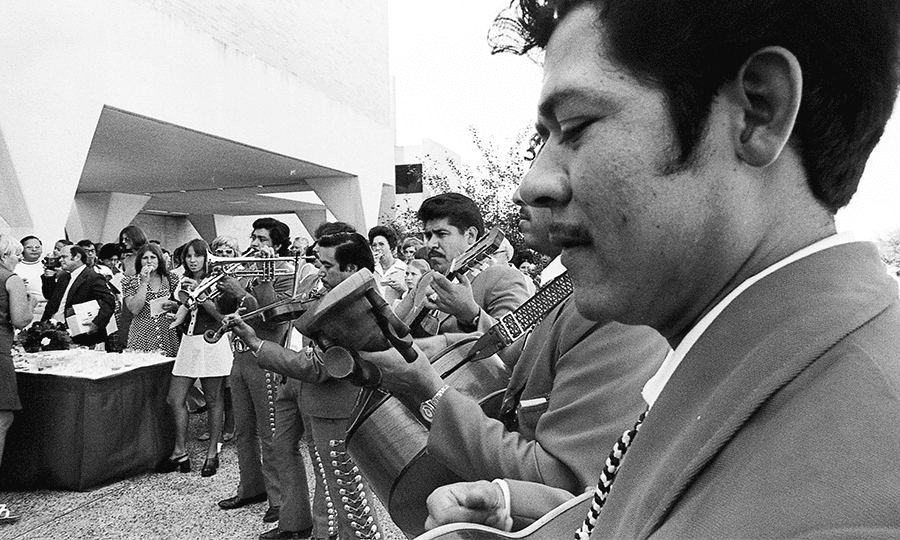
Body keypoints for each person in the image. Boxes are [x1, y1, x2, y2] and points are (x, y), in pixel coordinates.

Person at [425, 1, 900, 537]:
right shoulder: (753, 363)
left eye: (576, 126)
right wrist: (528, 508)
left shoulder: (854, 494)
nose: (531, 185)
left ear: (757, 112)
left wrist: (427, 389)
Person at [361, 193, 668, 526]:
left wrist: (428, 389)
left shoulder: (613, 308)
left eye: (567, 147)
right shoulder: (565, 283)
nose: (521, 191)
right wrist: (453, 341)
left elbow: (560, 479)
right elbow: (530, 353)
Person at [224, 231, 385, 540]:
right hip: (303, 387)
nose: (319, 271)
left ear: (352, 270)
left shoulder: (356, 305)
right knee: (328, 476)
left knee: (345, 490)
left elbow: (320, 366)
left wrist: (257, 343)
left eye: (326, 265)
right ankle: (305, 527)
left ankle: (324, 533)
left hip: (332, 400)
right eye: (317, 263)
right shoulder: (327, 288)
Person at [216, 219, 297, 529]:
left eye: (262, 238)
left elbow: (274, 319)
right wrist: (225, 288)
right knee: (243, 431)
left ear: (276, 245)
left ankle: (277, 499)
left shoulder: (285, 273)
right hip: (238, 357)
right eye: (253, 236)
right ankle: (250, 488)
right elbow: (225, 308)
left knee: (269, 432)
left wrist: (244, 293)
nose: (255, 242)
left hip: (265, 358)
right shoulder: (246, 269)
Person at [158, 239, 233, 477]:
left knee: (213, 399)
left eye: (197, 256)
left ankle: (213, 452)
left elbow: (223, 317)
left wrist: (200, 298)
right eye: (188, 256)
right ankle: (180, 451)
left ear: (206, 257)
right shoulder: (184, 279)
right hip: (189, 342)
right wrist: (179, 304)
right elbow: (183, 305)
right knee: (174, 398)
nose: (192, 260)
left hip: (213, 341)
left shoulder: (220, 282)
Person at [415, 193, 533, 335]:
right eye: (428, 236)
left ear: (470, 235)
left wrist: (471, 314)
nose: (431, 244)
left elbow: (515, 344)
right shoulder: (426, 280)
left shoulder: (503, 277)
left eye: (441, 234)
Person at [1, 235, 36, 473]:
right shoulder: (11, 279)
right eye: (16, 255)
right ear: (5, 255)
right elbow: (21, 319)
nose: (18, 260)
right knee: (2, 417)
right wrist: (30, 305)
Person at [40, 245, 115, 348]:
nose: (61, 260)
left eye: (64, 257)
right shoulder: (64, 277)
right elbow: (50, 297)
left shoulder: (93, 277)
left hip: (79, 334)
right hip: (54, 329)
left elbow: (109, 301)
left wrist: (97, 323)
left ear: (77, 257)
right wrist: (48, 278)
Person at [122, 243, 179, 356]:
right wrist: (143, 283)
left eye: (153, 257)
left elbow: (182, 304)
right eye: (145, 258)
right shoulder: (130, 281)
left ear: (159, 260)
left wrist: (173, 305)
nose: (149, 261)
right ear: (140, 261)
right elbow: (134, 309)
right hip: (142, 332)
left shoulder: (170, 279)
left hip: (166, 331)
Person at [368, 225, 407, 304]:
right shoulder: (371, 268)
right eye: (374, 245)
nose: (377, 248)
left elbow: (412, 296)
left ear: (391, 247)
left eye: (381, 244)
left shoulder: (403, 269)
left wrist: (403, 289)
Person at [15, 236, 46, 319]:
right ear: (22, 250)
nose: (34, 249)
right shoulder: (15, 266)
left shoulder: (48, 265)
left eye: (37, 247)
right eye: (29, 247)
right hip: (26, 309)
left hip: (47, 308)